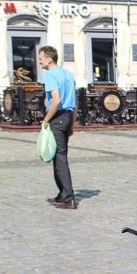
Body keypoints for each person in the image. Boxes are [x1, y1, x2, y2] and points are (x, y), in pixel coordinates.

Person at [38, 45, 78, 209]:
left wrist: (46, 120)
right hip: (67, 117)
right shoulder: (68, 74)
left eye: (41, 58)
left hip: (57, 117)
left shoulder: (50, 75)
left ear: (49, 58)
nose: (39, 61)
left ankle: (68, 197)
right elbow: (74, 104)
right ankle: (62, 194)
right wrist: (72, 124)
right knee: (58, 155)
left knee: (60, 158)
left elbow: (56, 100)